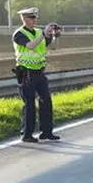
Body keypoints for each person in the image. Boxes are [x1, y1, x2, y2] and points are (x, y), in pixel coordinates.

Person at [12, 7, 61, 142]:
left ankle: (46, 132)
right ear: (24, 19)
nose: (35, 20)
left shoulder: (39, 32)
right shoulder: (19, 34)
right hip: (26, 73)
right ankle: (27, 134)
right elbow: (31, 46)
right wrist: (44, 35)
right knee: (29, 104)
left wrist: (54, 35)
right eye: (32, 18)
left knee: (46, 101)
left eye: (35, 18)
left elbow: (53, 48)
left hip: (39, 72)